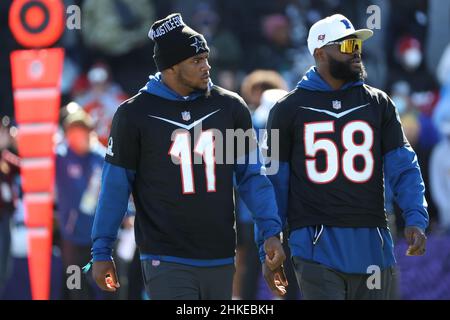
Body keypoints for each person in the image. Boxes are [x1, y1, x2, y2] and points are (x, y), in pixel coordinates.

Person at [89, 13, 285, 300]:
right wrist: (101, 250)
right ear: (171, 68)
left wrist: (270, 232)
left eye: (206, 58)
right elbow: (116, 187)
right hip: (165, 257)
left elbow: (252, 177)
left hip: (219, 254)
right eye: (196, 60)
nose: (207, 67)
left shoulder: (229, 108)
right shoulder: (135, 114)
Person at [259, 14, 429, 300]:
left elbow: (404, 167)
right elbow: (273, 181)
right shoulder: (287, 109)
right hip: (315, 246)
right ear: (320, 53)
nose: (356, 53)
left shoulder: (378, 103)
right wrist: (268, 236)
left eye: (357, 45)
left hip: (373, 242)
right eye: (347, 46)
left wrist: (415, 216)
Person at [56, 106, 105, 299]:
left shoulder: (102, 158)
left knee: (106, 288)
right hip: (72, 238)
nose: (76, 136)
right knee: (74, 287)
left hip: (101, 240)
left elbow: (119, 191)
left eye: (81, 129)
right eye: (72, 130)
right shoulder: (60, 156)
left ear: (89, 131)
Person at [0, 116, 19, 293]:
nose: (6, 134)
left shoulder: (6, 157)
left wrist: (16, 143)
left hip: (5, 217)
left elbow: (26, 167)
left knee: (4, 270)